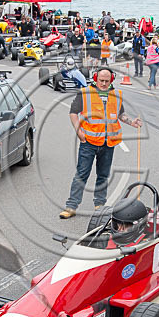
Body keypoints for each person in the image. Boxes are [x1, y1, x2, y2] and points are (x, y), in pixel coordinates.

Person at [59, 67, 142, 219]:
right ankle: (71, 206)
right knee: (82, 174)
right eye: (101, 81)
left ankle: (100, 204)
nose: (103, 84)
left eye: (106, 81)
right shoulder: (85, 93)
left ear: (111, 80)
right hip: (89, 142)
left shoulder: (116, 95)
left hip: (108, 143)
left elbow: (120, 114)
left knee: (103, 175)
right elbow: (73, 112)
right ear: (95, 79)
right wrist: (79, 132)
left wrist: (131, 122)